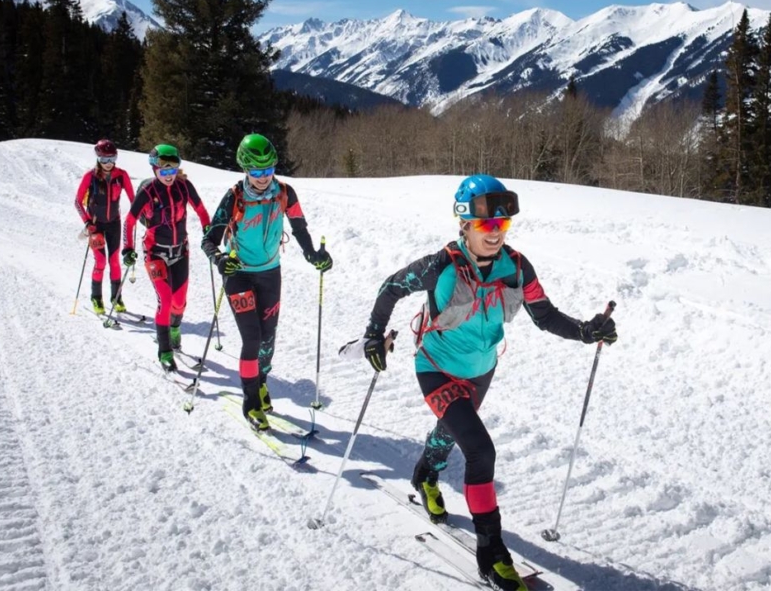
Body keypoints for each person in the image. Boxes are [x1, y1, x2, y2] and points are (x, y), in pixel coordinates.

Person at [358, 174, 617, 591]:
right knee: (480, 449)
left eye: (502, 225)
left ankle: (425, 474)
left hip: (481, 371)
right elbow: (390, 288)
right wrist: (374, 333)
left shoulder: (516, 266)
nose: (495, 233)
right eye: (485, 225)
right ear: (464, 224)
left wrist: (586, 331)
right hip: (436, 368)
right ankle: (491, 552)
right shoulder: (439, 265)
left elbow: (545, 315)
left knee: (450, 432)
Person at [201, 133, 332, 431]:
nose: (263, 177)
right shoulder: (234, 196)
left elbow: (299, 228)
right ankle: (250, 402)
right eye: (256, 172)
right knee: (252, 338)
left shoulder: (285, 192)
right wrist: (221, 260)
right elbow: (208, 240)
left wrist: (314, 256)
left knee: (268, 338)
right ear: (245, 169)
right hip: (238, 274)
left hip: (270, 273)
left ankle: (260, 382)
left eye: (268, 169)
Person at [121, 144, 210, 372]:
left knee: (180, 302)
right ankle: (165, 351)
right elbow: (130, 221)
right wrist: (127, 248)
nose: (169, 176)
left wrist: (209, 233)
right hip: (155, 253)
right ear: (155, 169)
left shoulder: (184, 186)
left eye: (173, 170)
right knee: (166, 299)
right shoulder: (148, 191)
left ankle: (175, 330)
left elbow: (201, 211)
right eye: (164, 171)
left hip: (180, 251)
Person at [74, 139, 135, 314]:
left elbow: (134, 199)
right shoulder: (90, 176)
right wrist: (87, 222)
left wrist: (137, 213)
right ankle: (96, 298)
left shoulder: (121, 175)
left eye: (112, 159)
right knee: (100, 261)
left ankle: (116, 298)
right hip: (95, 226)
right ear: (98, 159)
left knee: (114, 261)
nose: (108, 164)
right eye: (104, 160)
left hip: (114, 224)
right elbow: (77, 201)